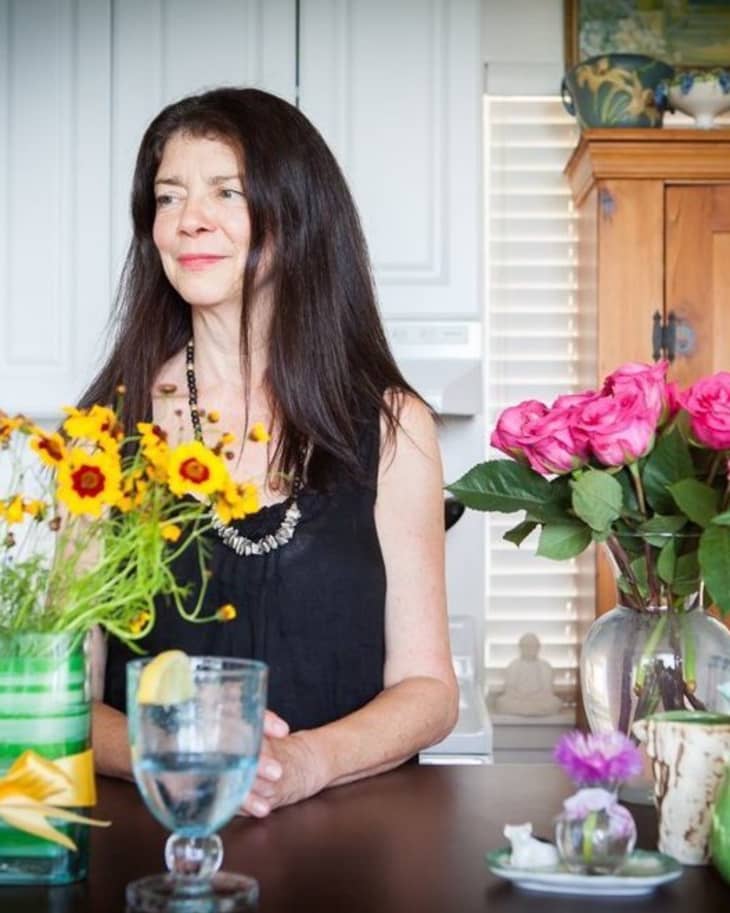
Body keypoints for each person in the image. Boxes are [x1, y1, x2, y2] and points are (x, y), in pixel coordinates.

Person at [84, 87, 458, 816]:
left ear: (299, 215)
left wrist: (304, 761)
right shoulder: (106, 434)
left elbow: (430, 690)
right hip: (158, 844)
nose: (187, 219)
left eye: (226, 191)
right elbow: (65, 695)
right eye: (167, 197)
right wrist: (182, 756)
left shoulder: (391, 427)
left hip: (355, 848)